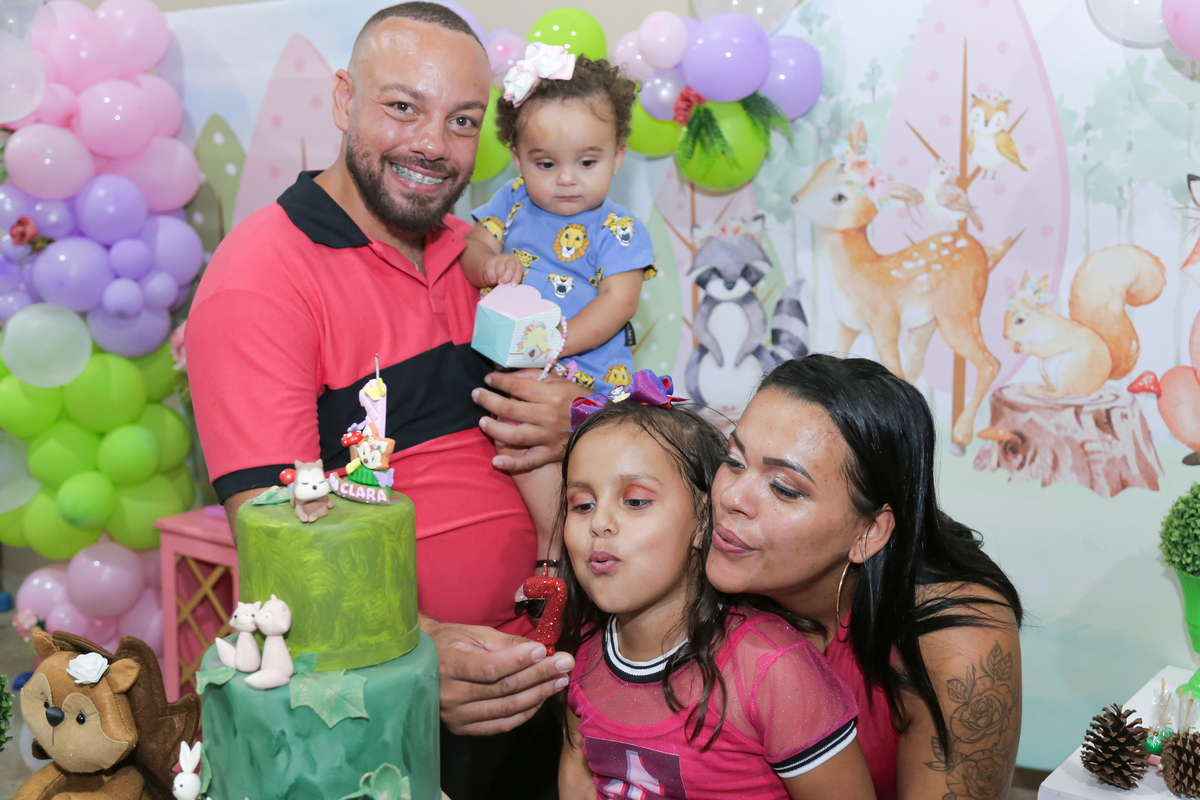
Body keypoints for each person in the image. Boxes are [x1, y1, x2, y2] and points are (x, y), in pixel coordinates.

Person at [184, 4, 583, 797]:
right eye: (403, 106)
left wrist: (565, 429)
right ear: (344, 100)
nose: (433, 144)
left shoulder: (476, 258)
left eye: (462, 120)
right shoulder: (262, 276)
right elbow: (281, 539)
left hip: (549, 667)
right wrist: (420, 652)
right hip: (393, 698)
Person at [705, 354, 1023, 800]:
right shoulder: (684, 556)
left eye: (784, 488)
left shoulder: (954, 639)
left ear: (869, 532)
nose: (732, 497)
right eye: (734, 460)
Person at [554, 373, 876, 800]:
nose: (600, 522)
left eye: (636, 501)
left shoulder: (774, 669)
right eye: (582, 505)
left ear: (703, 520)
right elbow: (577, 774)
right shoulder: (583, 652)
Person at [461, 54, 652, 556]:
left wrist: (554, 342)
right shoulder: (512, 201)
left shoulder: (618, 228)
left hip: (593, 380)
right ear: (518, 158)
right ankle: (553, 550)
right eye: (546, 164)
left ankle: (567, 554)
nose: (566, 179)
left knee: (598, 472)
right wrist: (487, 266)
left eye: (587, 162)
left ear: (618, 155)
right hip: (526, 368)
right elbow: (472, 248)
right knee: (520, 443)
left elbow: (619, 301)